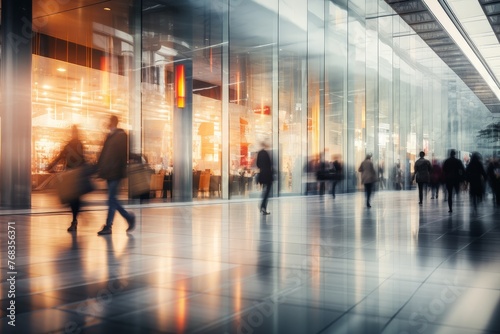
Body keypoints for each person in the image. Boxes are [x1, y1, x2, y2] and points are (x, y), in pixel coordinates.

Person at [96, 115, 136, 235]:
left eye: (108, 121)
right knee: (112, 200)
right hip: (109, 173)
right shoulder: (110, 136)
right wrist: (99, 169)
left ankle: (109, 225)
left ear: (113, 122)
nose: (107, 123)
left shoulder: (121, 136)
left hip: (116, 173)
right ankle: (128, 218)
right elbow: (104, 155)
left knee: (111, 199)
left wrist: (121, 171)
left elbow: (123, 156)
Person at [47, 125, 86, 232]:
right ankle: (76, 219)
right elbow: (61, 156)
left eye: (74, 132)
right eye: (73, 132)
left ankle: (74, 220)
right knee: (73, 198)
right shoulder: (73, 145)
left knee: (74, 199)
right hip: (72, 176)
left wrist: (52, 164)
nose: (73, 134)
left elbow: (62, 156)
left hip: (74, 175)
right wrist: (52, 164)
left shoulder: (75, 145)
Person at [256, 140, 274, 215]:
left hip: (262, 175)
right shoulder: (266, 153)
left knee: (265, 191)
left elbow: (258, 165)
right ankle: (263, 206)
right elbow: (270, 165)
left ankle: (263, 207)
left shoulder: (259, 153)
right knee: (267, 192)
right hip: (267, 175)